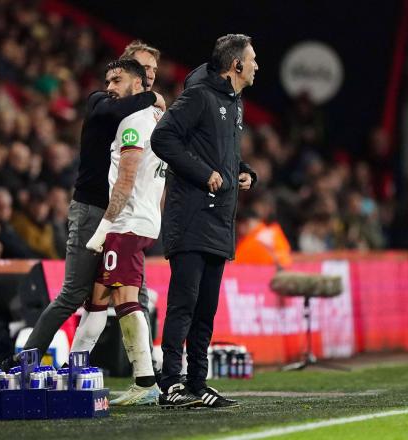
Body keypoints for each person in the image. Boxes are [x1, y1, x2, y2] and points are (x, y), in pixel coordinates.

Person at [14, 47, 166, 364]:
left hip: (126, 216)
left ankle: (144, 370)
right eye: (142, 67)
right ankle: (25, 359)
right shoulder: (102, 101)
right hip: (94, 211)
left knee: (128, 295)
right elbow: (114, 113)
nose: (150, 72)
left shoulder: (147, 115)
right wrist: (152, 98)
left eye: (153, 68)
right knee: (74, 293)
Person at [151, 34, 257, 408]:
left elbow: (221, 152)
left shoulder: (235, 103)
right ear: (236, 65)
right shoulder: (199, 96)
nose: (257, 66)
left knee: (206, 308)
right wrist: (202, 173)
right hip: (192, 216)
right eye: (252, 59)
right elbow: (162, 138)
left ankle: (197, 382)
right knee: (184, 304)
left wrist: (243, 172)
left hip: (220, 220)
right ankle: (170, 384)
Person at [68, 58, 165, 406]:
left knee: (125, 299)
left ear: (138, 85)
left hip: (126, 222)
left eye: (117, 79)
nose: (110, 86)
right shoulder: (154, 117)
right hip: (136, 219)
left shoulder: (134, 123)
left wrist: (105, 228)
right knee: (96, 298)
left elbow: (125, 182)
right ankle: (73, 372)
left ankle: (145, 380)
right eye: (107, 79)